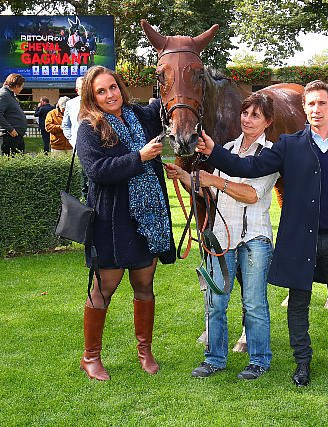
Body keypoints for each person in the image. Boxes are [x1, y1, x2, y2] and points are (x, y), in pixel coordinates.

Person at [195, 80, 328, 387]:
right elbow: (249, 167)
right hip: (301, 239)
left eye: (322, 103)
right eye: (310, 104)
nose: (316, 109)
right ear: (304, 108)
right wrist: (214, 152)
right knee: (299, 302)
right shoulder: (289, 146)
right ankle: (302, 362)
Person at [165, 93, 278, 381]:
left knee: (254, 303)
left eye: (255, 115)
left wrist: (214, 179)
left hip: (255, 239)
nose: (247, 119)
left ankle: (259, 361)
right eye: (245, 113)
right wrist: (184, 176)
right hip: (222, 238)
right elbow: (212, 192)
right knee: (215, 301)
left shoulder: (271, 154)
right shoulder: (226, 149)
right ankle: (214, 359)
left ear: (268, 122)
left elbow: (251, 195)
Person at [75, 66, 175, 381]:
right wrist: (139, 158)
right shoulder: (89, 127)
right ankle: (90, 357)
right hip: (112, 220)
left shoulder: (141, 115)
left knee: (144, 285)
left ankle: (145, 352)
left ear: (121, 87)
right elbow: (97, 171)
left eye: (113, 87)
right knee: (103, 288)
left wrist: (169, 68)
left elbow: (170, 99)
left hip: (149, 217)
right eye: (101, 91)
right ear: (91, 97)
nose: (110, 95)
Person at [0, 73, 27, 155]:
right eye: (21, 86)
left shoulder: (9, 95)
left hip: (16, 135)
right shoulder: (4, 94)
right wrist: (10, 129)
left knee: (20, 160)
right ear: (16, 86)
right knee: (11, 160)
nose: (22, 89)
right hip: (10, 136)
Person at [62, 76, 84, 148]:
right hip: (77, 145)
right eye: (83, 88)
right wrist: (71, 140)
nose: (86, 90)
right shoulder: (70, 104)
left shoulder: (97, 102)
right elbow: (65, 124)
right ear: (77, 90)